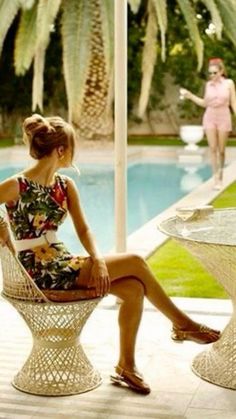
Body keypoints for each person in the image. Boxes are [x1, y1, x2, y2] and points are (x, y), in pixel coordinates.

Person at [0, 114, 220, 395]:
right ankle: (183, 325)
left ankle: (126, 367)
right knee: (136, 261)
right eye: (72, 147)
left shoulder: (65, 186)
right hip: (37, 273)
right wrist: (2, 231)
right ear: (60, 150)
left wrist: (99, 261)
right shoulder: (17, 185)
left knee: (133, 288)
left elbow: (85, 229)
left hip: (61, 261)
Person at [180, 58, 236, 190]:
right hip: (210, 116)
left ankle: (221, 175)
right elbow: (205, 103)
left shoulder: (229, 83)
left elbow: (233, 102)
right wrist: (190, 96)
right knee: (213, 149)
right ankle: (216, 179)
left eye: (214, 73)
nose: (212, 76)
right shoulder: (208, 85)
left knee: (221, 151)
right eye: (210, 73)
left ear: (221, 71)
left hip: (223, 117)